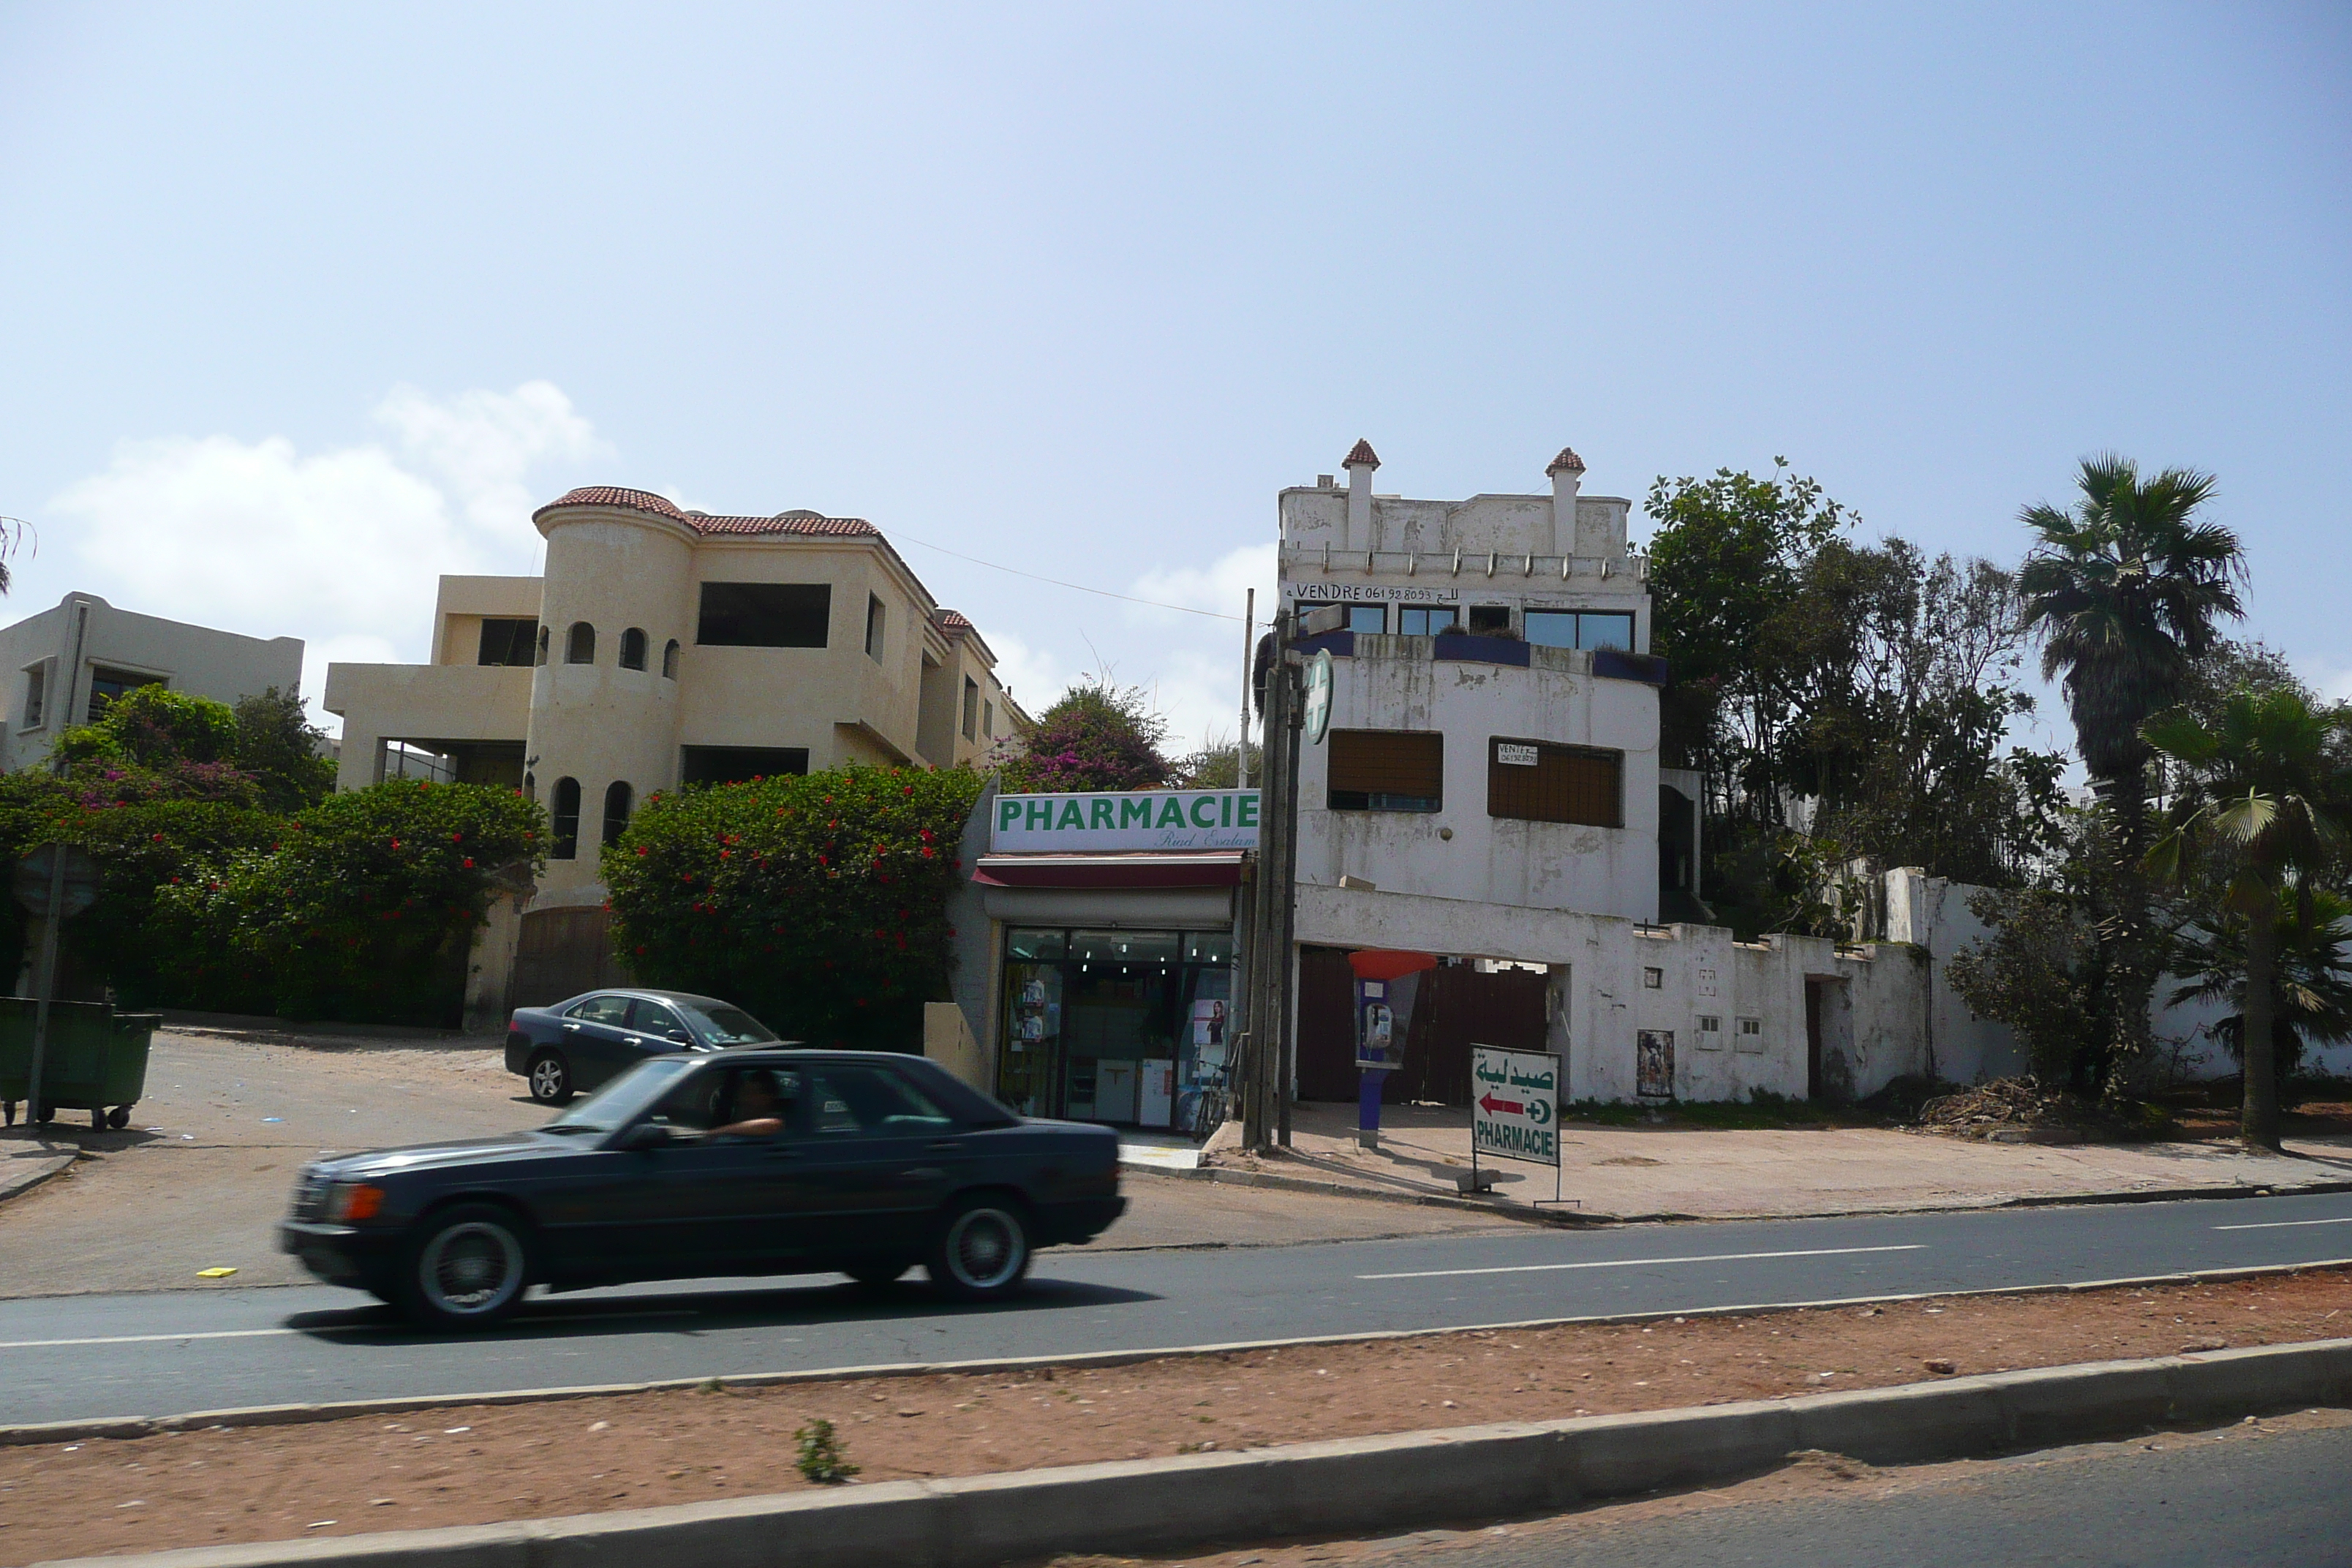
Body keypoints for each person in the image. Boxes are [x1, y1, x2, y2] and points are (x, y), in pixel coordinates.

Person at [706, 1068, 791, 1139]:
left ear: (767, 1096)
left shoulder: (776, 1117)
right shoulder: (737, 1116)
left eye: (751, 1093)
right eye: (744, 1093)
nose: (744, 1099)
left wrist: (717, 1132)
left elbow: (771, 1125)